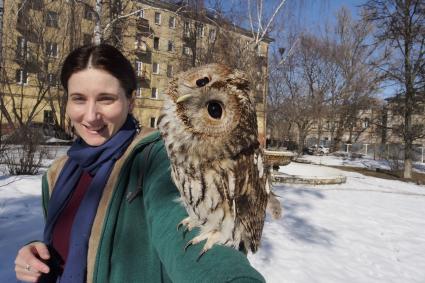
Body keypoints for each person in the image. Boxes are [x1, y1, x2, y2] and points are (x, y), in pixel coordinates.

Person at [14, 44, 265, 283]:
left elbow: (174, 228)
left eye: (106, 99)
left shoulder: (155, 159)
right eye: (79, 99)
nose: (90, 115)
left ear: (131, 101)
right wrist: (36, 255)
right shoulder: (58, 174)